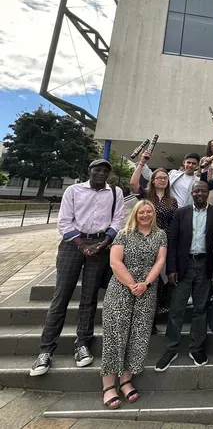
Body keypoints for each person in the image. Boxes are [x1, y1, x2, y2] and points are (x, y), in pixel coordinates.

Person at [30, 159, 124, 377]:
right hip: (73, 246)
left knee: (89, 297)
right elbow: (64, 221)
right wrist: (81, 245)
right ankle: (46, 350)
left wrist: (104, 242)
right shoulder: (74, 190)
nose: (101, 173)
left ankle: (82, 343)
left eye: (105, 171)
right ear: (89, 171)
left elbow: (117, 219)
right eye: (97, 169)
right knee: (61, 296)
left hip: (100, 246)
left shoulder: (115, 192)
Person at [100, 200, 167, 408]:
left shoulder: (160, 235)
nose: (145, 215)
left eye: (149, 212)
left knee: (138, 335)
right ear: (135, 214)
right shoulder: (124, 233)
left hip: (146, 289)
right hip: (121, 288)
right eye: (141, 212)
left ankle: (126, 380)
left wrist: (145, 284)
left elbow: (160, 261)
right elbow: (115, 262)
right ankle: (108, 385)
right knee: (115, 334)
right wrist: (132, 284)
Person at [154, 182, 213, 371]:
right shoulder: (181, 212)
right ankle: (171, 348)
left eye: (203, 190)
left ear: (208, 193)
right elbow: (173, 241)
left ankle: (197, 348)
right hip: (183, 266)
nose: (199, 193)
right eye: (196, 190)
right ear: (192, 193)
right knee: (176, 309)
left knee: (201, 309)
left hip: (205, 265)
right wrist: (171, 268)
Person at [130, 159, 179, 330]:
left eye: (165, 178)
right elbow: (133, 183)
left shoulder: (172, 201)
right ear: (153, 180)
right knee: (146, 277)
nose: (162, 181)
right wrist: (142, 163)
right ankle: (142, 318)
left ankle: (154, 315)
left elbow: (174, 224)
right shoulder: (145, 195)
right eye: (159, 178)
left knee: (160, 278)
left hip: (164, 243)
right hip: (145, 241)